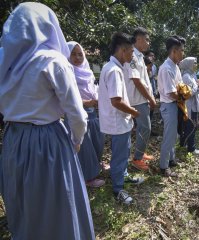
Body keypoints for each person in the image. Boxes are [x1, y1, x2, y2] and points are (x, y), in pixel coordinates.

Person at [0, 3, 94, 239]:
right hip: (48, 141)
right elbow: (76, 113)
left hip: (13, 140)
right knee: (56, 207)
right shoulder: (52, 60)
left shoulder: (3, 60)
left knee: (24, 204)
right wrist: (75, 140)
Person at [98, 32, 140, 204]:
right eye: (131, 51)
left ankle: (123, 176)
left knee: (124, 151)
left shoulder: (113, 67)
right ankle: (118, 189)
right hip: (117, 120)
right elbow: (116, 101)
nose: (132, 55)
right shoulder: (114, 70)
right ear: (123, 51)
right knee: (119, 155)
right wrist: (133, 112)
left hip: (120, 120)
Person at [67, 41, 105, 187]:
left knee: (98, 141)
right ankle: (88, 178)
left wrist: (96, 97)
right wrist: (84, 102)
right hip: (78, 114)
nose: (77, 58)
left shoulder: (87, 71)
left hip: (93, 112)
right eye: (73, 54)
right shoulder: (67, 72)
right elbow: (66, 96)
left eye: (80, 54)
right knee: (85, 147)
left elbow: (94, 88)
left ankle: (97, 164)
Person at [125, 27, 156, 171]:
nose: (148, 43)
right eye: (146, 39)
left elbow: (144, 79)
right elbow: (137, 81)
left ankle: (140, 153)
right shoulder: (132, 56)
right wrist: (150, 98)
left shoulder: (139, 56)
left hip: (141, 98)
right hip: (137, 99)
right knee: (145, 128)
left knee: (142, 129)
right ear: (138, 39)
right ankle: (137, 159)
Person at [157, 35, 186, 177]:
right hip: (169, 105)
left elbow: (180, 86)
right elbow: (172, 93)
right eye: (181, 50)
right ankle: (163, 166)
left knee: (174, 134)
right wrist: (187, 95)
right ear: (174, 51)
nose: (183, 53)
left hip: (175, 104)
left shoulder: (175, 67)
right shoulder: (166, 68)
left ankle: (171, 159)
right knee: (169, 136)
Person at [179, 57, 199, 154]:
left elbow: (194, 88)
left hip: (193, 105)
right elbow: (188, 93)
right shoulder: (186, 76)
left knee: (189, 126)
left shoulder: (192, 75)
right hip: (189, 105)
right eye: (194, 63)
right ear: (188, 64)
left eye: (196, 63)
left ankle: (184, 143)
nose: (196, 65)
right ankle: (191, 148)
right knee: (191, 126)